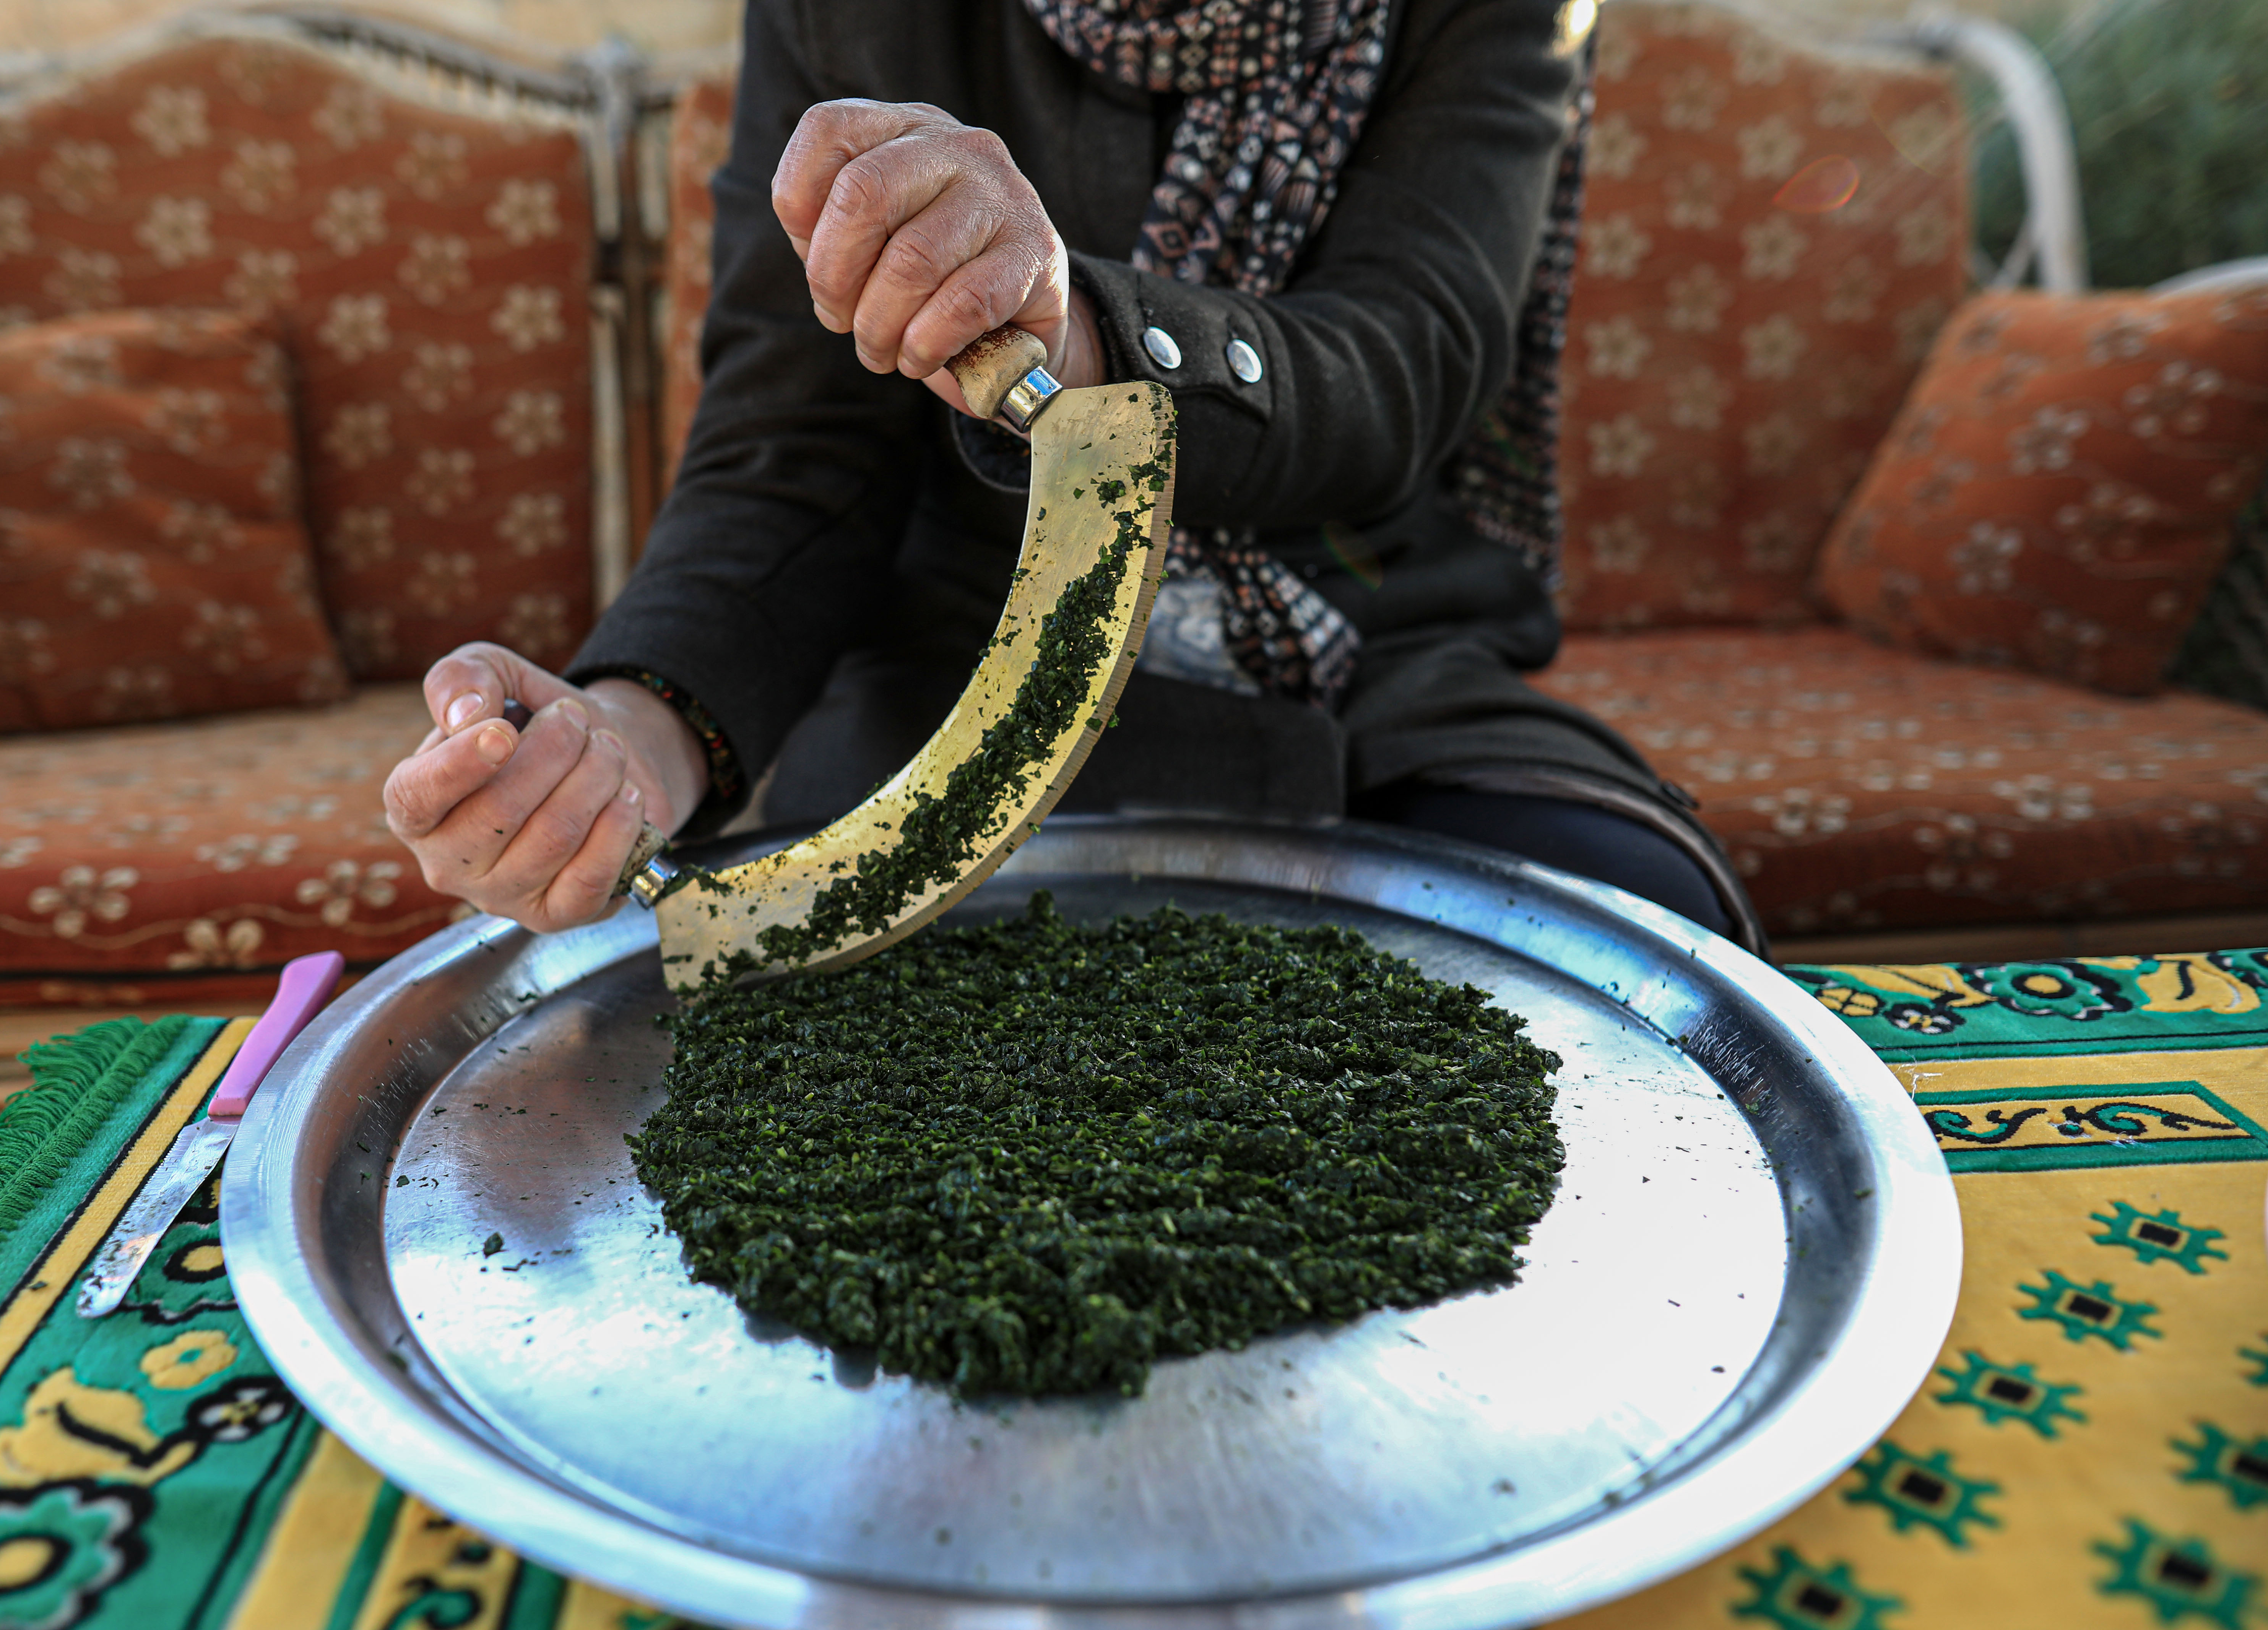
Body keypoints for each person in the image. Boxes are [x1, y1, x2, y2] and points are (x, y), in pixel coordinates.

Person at [382, 0, 1764, 950]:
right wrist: (627, 742)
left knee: (1639, 941)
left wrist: (1089, 333)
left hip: (1368, 685)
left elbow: (1411, 355)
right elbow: (789, 459)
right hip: (954, 696)